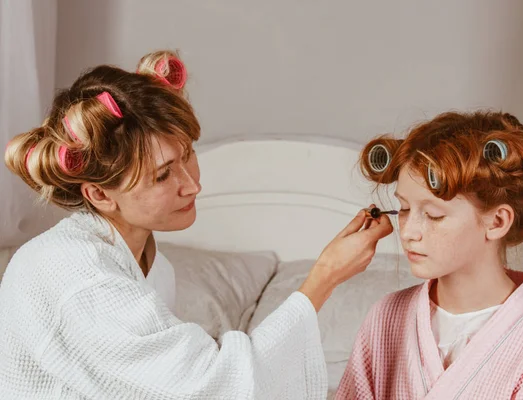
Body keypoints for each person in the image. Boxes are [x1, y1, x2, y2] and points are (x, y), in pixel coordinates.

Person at [0, 50, 392, 399]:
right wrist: (324, 276)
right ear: (100, 195)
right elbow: (219, 386)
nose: (193, 184)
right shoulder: (82, 279)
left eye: (188, 155)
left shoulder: (149, 263)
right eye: (162, 175)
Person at [336, 111, 523, 399]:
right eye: (403, 209)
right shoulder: (386, 317)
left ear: (497, 222)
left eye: (433, 214)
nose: (408, 232)